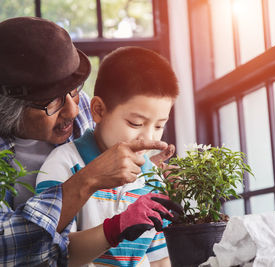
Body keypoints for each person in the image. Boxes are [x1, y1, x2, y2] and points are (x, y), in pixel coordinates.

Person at [0, 17, 180, 266]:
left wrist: (148, 175)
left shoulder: (87, 107)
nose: (74, 111)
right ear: (6, 109)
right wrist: (87, 180)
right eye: (52, 102)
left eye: (74, 89)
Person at [36, 46, 179, 267]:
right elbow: (51, 255)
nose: (148, 137)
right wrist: (118, 226)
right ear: (99, 110)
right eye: (135, 123)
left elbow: (160, 261)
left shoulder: (153, 180)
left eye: (160, 125)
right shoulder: (63, 165)